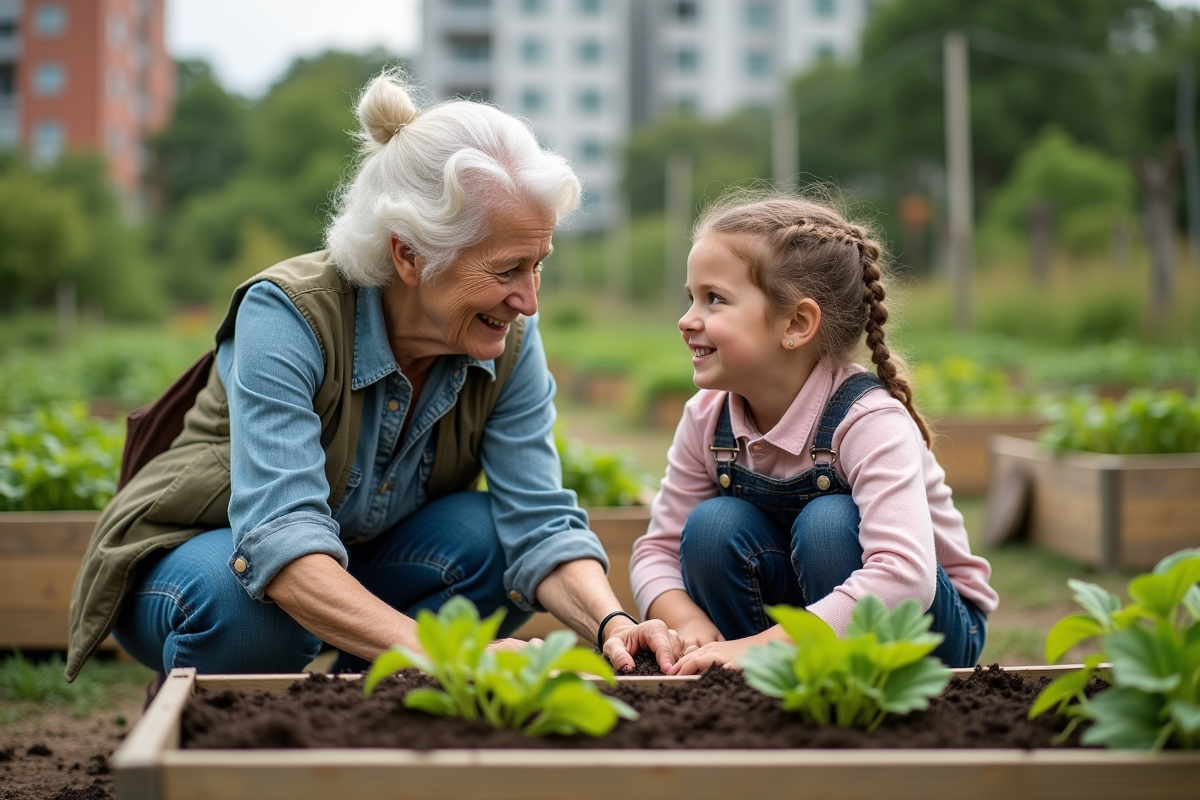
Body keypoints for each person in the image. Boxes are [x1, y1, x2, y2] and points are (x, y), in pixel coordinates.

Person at [64, 69, 679, 683]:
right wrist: (449, 654)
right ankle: (206, 754)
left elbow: (539, 521)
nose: (529, 300)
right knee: (254, 615)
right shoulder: (288, 314)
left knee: (492, 540)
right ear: (408, 254)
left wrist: (613, 625)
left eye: (538, 264)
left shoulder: (506, 340)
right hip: (195, 556)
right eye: (507, 269)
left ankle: (366, 718)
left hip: (351, 559)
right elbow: (279, 542)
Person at [630, 194, 998, 676]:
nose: (687, 319)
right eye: (691, 297)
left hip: (929, 630)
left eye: (714, 298)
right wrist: (687, 619)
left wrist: (768, 644)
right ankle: (752, 680)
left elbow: (906, 578)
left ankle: (811, 669)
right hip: (797, 623)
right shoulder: (707, 417)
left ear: (797, 323)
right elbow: (656, 550)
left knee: (827, 522)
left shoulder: (867, 418)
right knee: (712, 526)